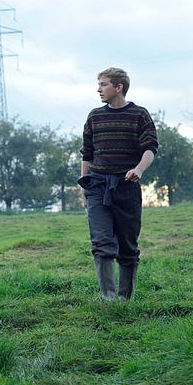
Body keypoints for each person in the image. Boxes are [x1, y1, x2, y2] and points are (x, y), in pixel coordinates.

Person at [78, 67, 158, 300]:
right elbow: (87, 154)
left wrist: (139, 169)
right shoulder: (94, 116)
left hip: (127, 188)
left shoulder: (140, 115)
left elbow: (150, 149)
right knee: (101, 243)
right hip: (98, 187)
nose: (98, 89)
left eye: (103, 84)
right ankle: (108, 298)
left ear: (118, 86)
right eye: (99, 84)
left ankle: (125, 298)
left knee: (127, 246)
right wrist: (85, 186)